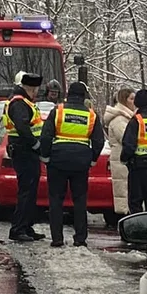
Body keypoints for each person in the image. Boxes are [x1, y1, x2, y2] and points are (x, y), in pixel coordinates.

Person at [40, 81, 105, 247]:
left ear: (68, 94)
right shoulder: (91, 115)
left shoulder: (58, 111)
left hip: (58, 160)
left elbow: (46, 135)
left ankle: (57, 238)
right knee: (80, 200)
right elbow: (98, 141)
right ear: (83, 97)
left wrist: (45, 156)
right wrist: (92, 159)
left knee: (55, 200)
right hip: (81, 163)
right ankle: (80, 238)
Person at [4, 71, 46, 242]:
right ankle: (18, 228)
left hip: (26, 151)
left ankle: (26, 227)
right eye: (36, 89)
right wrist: (35, 144)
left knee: (30, 191)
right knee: (26, 192)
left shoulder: (23, 102)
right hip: (24, 151)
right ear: (31, 89)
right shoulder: (19, 104)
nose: (37, 93)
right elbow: (22, 127)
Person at [103, 87, 135, 222]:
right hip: (122, 161)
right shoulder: (119, 120)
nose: (134, 102)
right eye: (131, 99)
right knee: (124, 192)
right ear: (124, 100)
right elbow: (126, 138)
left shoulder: (126, 118)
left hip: (123, 161)